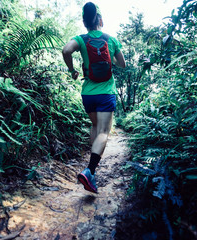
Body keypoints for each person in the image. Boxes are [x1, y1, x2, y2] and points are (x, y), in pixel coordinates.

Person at [62, 2, 126, 193]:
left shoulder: (81, 39)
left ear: (85, 22)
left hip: (88, 93)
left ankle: (93, 169)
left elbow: (66, 50)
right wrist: (111, 57)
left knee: (96, 127)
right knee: (104, 131)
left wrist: (72, 70)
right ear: (99, 20)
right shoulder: (111, 39)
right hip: (106, 92)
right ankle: (90, 170)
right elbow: (122, 64)